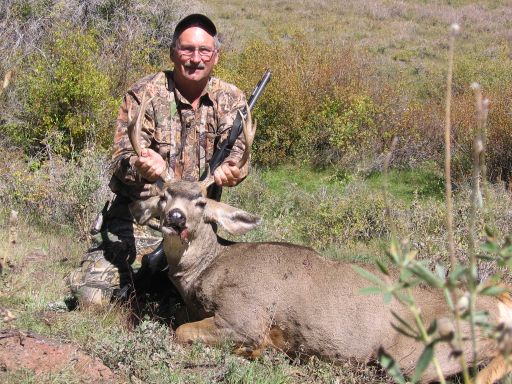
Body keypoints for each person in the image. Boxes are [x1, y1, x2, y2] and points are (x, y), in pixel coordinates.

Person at [68, 14, 249, 314]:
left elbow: (239, 158)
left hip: (195, 225)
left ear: (216, 56)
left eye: (204, 51)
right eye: (187, 49)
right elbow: (120, 158)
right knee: (95, 300)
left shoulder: (231, 99)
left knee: (224, 304)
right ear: (172, 52)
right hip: (142, 220)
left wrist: (234, 171)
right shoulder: (145, 94)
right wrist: (139, 165)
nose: (195, 58)